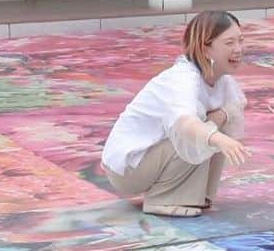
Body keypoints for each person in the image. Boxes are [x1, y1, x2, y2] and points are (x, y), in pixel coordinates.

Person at [102, 11, 249, 217]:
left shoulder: (220, 76)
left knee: (216, 126)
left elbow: (236, 104)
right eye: (229, 43)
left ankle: (200, 195)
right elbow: (184, 122)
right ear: (206, 49)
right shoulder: (183, 78)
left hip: (153, 158)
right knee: (201, 132)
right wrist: (217, 137)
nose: (238, 49)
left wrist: (218, 120)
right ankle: (162, 199)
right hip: (129, 170)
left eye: (240, 41)